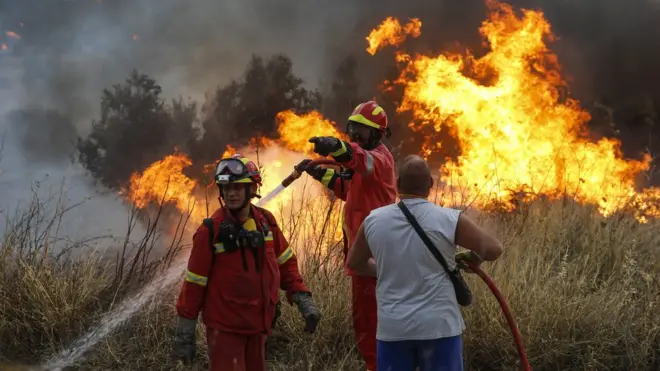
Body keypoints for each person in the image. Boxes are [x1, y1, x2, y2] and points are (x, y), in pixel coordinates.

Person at [346, 155, 504, 371]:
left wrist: (384, 270)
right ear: (430, 184)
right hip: (439, 328)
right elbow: (494, 249)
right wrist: (473, 258)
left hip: (394, 330)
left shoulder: (374, 220)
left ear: (398, 184)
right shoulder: (449, 219)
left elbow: (354, 263)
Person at [172, 154, 321, 371]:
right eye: (226, 188)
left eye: (237, 187)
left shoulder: (266, 222)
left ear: (252, 189)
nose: (231, 193)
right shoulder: (210, 231)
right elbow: (194, 285)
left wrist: (303, 299)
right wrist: (185, 335)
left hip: (258, 328)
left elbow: (286, 264)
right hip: (225, 331)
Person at [296, 101, 397, 371]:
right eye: (352, 130)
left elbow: (358, 161)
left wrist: (337, 147)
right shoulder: (363, 161)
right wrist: (320, 173)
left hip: (376, 258)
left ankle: (379, 366)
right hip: (362, 256)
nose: (355, 136)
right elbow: (349, 189)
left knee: (372, 321)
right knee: (364, 320)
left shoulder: (380, 159)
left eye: (361, 132)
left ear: (377, 133)